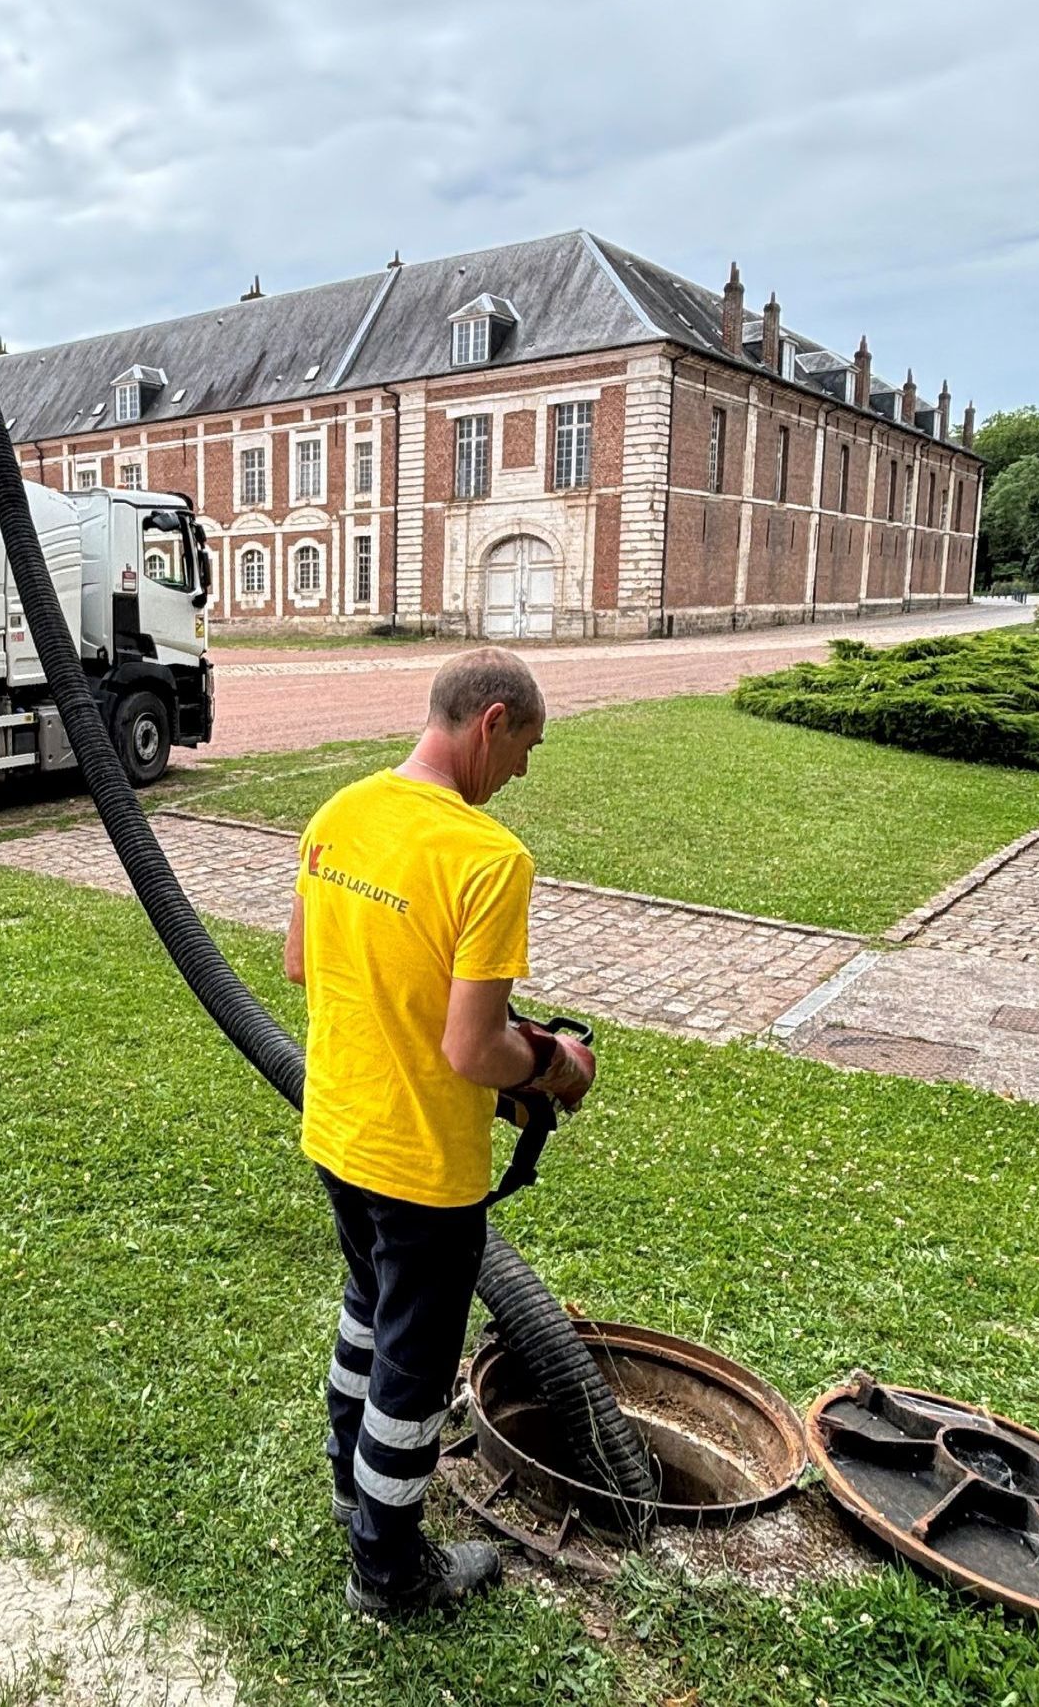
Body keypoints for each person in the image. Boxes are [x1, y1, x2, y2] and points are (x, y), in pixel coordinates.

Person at [283, 647, 594, 1617]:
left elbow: (302, 963)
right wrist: (550, 1064)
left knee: (367, 1317)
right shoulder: (489, 859)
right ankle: (388, 1573)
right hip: (424, 1166)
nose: (523, 774)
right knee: (413, 1376)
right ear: (491, 722)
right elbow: (471, 1048)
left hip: (338, 1131)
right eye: (527, 749)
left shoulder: (340, 812)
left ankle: (350, 1488)